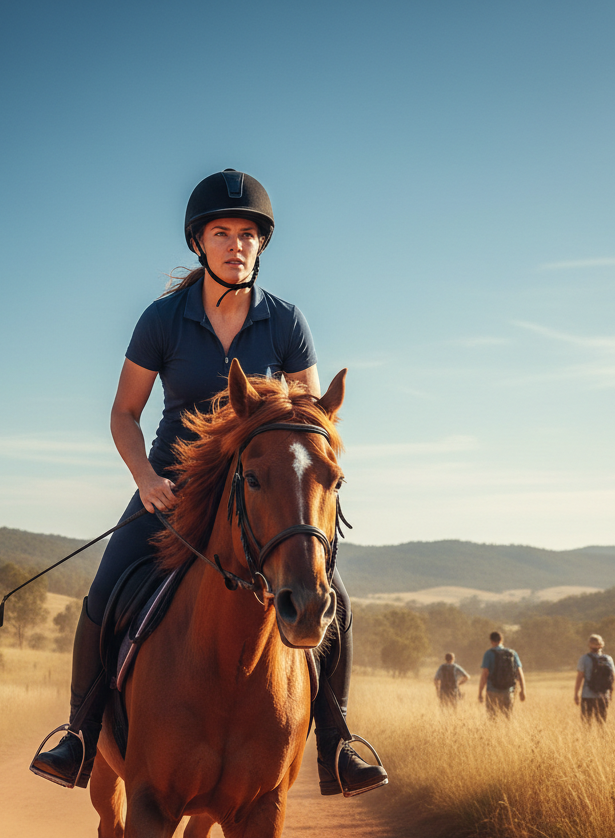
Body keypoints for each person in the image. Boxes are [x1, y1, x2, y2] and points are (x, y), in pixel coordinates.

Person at [29, 168, 387, 798]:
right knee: (104, 591)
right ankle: (79, 736)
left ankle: (337, 743)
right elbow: (123, 413)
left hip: (262, 493)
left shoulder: (286, 321)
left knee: (335, 598)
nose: (235, 244)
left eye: (247, 234)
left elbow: (306, 420)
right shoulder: (163, 320)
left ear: (260, 244)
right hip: (172, 487)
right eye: (221, 232)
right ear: (199, 243)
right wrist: (144, 479)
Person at [477, 631, 526, 717]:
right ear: (502, 640)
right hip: (508, 691)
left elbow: (485, 674)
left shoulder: (489, 654)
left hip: (492, 690)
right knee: (507, 717)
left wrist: (480, 692)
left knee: (492, 718)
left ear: (491, 641)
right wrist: (523, 690)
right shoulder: (512, 653)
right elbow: (519, 673)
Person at [574, 633, 615, 724]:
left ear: (589, 645)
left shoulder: (584, 659)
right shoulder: (608, 659)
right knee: (601, 722)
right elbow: (612, 677)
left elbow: (580, 677)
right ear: (602, 645)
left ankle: (587, 738)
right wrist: (610, 693)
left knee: (586, 722)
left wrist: (576, 694)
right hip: (603, 695)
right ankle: (601, 738)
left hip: (587, 695)